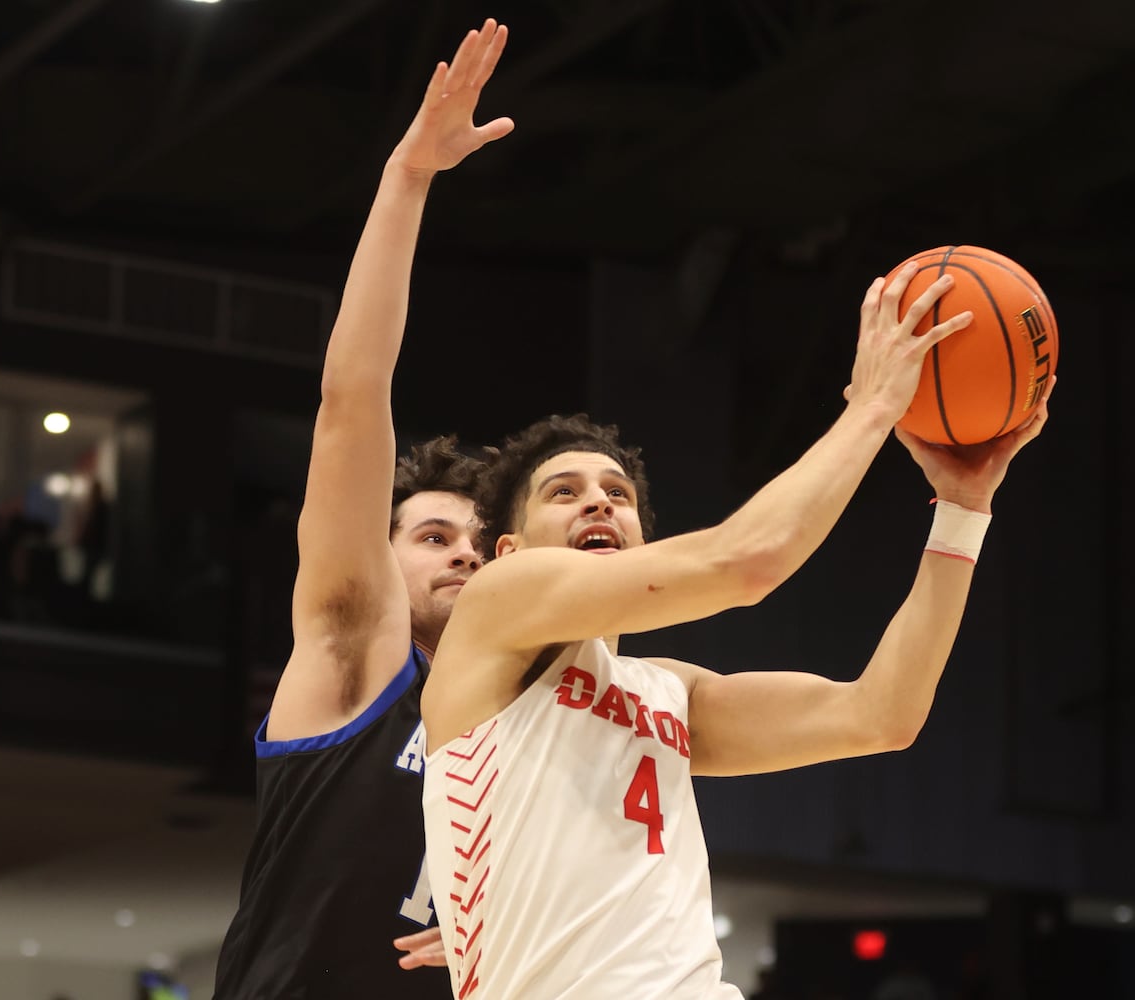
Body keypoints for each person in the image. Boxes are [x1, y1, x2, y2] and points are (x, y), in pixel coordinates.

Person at [420, 261, 1054, 997]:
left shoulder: (668, 693)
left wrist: (962, 510)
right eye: (565, 493)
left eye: (616, 494)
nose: (598, 503)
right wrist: (874, 406)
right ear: (511, 548)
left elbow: (881, 715)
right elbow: (747, 563)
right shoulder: (497, 602)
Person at [210, 19, 514, 999]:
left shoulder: (524, 731)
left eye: (477, 539)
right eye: (432, 537)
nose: (464, 556)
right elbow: (352, 401)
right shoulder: (358, 656)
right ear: (377, 563)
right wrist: (408, 180)